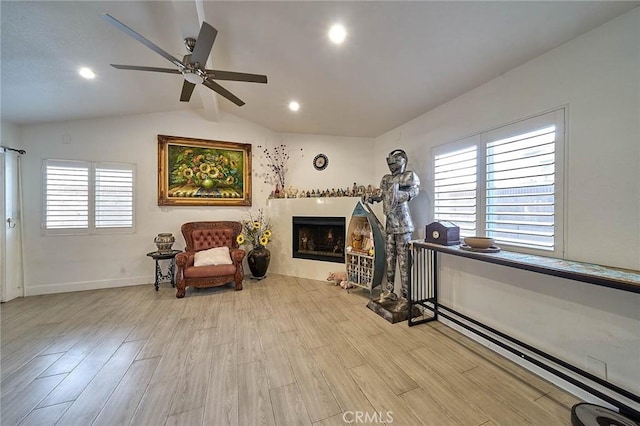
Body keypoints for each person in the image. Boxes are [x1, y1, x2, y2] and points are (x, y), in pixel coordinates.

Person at [365, 149, 420, 305]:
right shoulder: (386, 179)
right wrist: (370, 197)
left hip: (403, 225)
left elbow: (414, 191)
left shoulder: (408, 176)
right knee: (390, 259)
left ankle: (406, 296)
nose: (392, 167)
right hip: (390, 224)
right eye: (390, 164)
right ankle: (389, 291)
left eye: (395, 163)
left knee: (404, 262)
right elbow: (381, 194)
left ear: (402, 161)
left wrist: (403, 196)